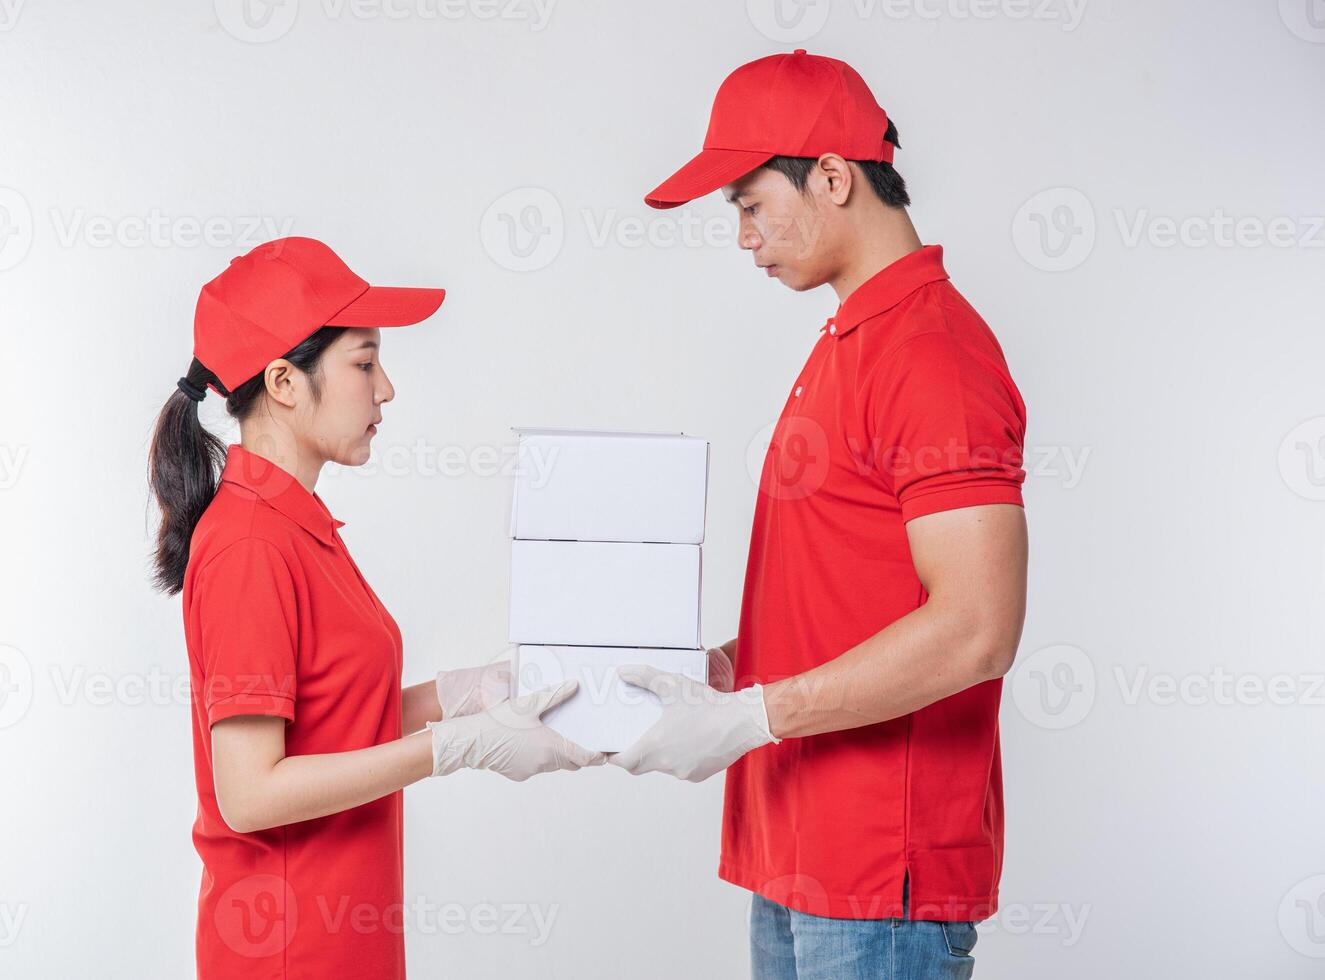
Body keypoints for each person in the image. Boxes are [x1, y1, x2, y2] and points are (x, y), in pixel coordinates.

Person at [612, 51, 1030, 980]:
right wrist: (725, 672)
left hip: (878, 877)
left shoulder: (930, 355)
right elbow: (846, 589)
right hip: (797, 853)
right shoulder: (853, 340)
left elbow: (975, 630)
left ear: (834, 178)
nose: (744, 237)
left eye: (750, 204)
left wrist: (753, 714)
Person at [147, 236, 603, 979]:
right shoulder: (250, 545)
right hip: (288, 953)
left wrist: (467, 694)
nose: (385, 389)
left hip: (344, 947)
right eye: (364, 363)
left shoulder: (298, 526)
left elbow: (335, 723)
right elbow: (250, 794)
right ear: (284, 382)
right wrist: (457, 748)